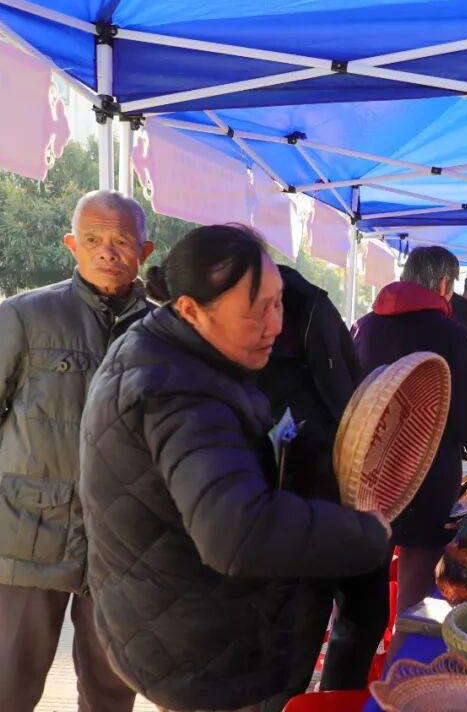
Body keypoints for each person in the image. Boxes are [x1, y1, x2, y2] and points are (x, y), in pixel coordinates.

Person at [79, 224, 392, 712]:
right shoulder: (176, 393)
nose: (275, 325)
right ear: (190, 310)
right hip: (199, 645)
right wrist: (365, 533)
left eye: (279, 303)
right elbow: (238, 533)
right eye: (256, 310)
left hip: (191, 619)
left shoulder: (182, 350)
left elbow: (257, 446)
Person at [0, 191, 153, 712]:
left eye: (121, 240)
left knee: (111, 695)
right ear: (72, 245)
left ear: (145, 250)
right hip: (24, 542)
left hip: (121, 547)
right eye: (92, 239)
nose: (106, 250)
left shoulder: (163, 331)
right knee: (5, 693)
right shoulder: (24, 315)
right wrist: (24, 480)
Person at [255, 264, 388, 691]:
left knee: (366, 616)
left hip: (350, 498)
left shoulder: (314, 305)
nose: (271, 318)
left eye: (275, 304)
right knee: (295, 644)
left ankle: (335, 699)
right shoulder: (222, 348)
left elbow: (352, 391)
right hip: (293, 516)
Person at [353, 246, 467, 622]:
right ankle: (404, 650)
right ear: (445, 284)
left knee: (363, 594)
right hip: (425, 476)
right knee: (416, 590)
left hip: (368, 476)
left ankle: (366, 649)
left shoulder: (366, 326)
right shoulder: (449, 332)